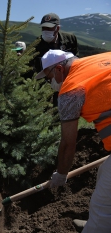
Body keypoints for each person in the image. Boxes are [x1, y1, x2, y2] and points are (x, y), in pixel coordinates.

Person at [34, 49, 111, 233]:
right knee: (104, 172)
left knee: (102, 206)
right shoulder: (104, 57)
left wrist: (61, 173)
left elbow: (68, 143)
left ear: (59, 69)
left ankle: (98, 227)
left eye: (48, 78)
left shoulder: (71, 89)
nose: (50, 83)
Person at [32, 13, 79, 107]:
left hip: (67, 82)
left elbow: (76, 60)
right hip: (46, 83)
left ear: (57, 28)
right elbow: (33, 67)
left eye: (49, 28)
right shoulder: (37, 44)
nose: (45, 31)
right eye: (43, 28)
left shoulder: (70, 39)